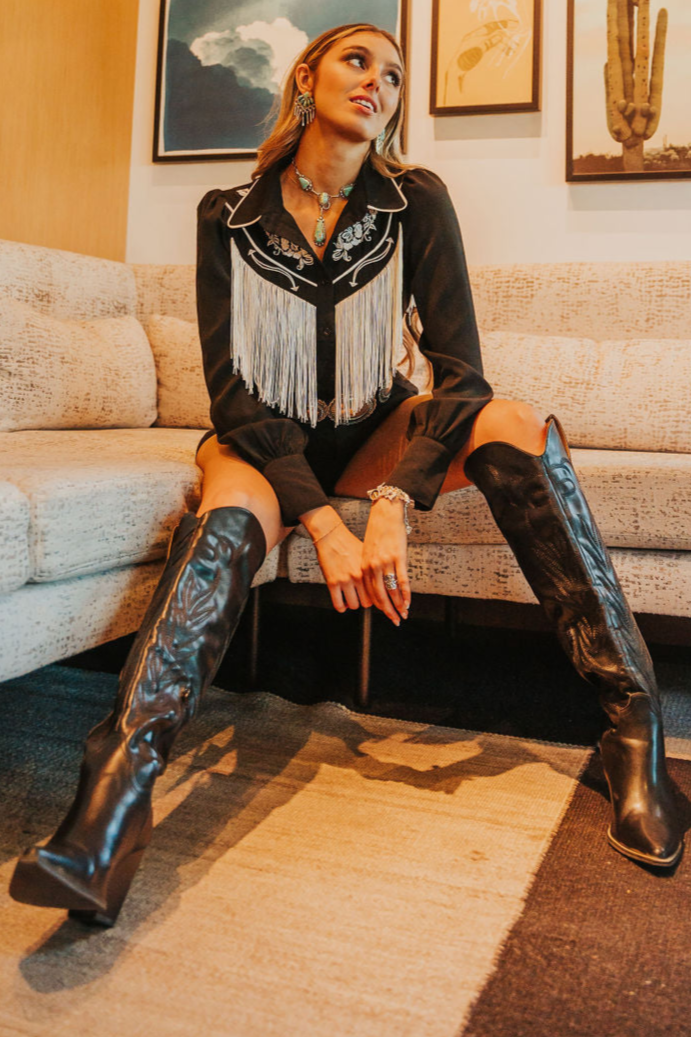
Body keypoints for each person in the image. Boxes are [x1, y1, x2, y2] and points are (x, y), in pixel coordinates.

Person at [10, 22, 682, 928]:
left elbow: (461, 376)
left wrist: (393, 499)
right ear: (306, 77)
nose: (377, 83)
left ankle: (632, 725)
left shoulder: (414, 201)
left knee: (517, 425)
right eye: (357, 61)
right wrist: (323, 522)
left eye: (394, 77)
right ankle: (112, 799)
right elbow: (231, 394)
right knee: (226, 511)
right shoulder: (226, 214)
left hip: (373, 432)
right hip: (262, 442)